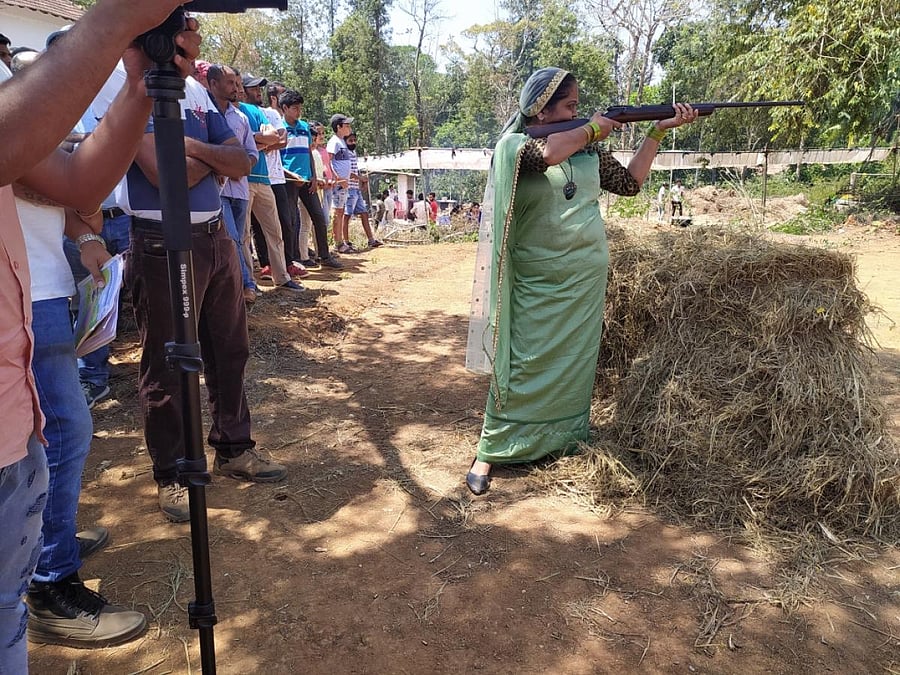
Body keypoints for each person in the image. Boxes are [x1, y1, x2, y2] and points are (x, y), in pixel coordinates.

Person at [0, 2, 202, 669]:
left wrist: (143, 86)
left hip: (23, 343)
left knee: (57, 439)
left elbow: (80, 179)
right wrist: (114, 19)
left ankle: (43, 558)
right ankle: (50, 576)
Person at [464, 67, 697, 495]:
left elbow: (630, 184)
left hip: (584, 278)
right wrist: (593, 127)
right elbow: (549, 155)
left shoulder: (589, 152)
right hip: (535, 280)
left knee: (573, 363)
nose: (578, 111)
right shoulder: (516, 149)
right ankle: (493, 447)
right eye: (570, 106)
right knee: (521, 362)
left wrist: (658, 133)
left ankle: (563, 439)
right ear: (541, 109)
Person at [124, 67, 288, 522]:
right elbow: (160, 173)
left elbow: (243, 160)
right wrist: (215, 159)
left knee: (230, 349)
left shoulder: (196, 91)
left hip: (216, 236)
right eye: (188, 24)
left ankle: (234, 448)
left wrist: (192, 150)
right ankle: (173, 472)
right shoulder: (131, 87)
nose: (195, 30)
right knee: (168, 359)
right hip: (161, 240)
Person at [207, 64, 261, 304]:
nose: (237, 88)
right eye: (231, 83)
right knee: (230, 239)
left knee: (237, 238)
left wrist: (243, 166)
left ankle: (233, 287)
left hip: (240, 190)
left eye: (238, 84)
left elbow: (252, 152)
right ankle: (246, 285)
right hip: (215, 190)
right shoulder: (203, 113)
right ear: (213, 84)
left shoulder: (240, 118)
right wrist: (221, 167)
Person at [279, 91, 341, 269]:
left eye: (300, 108)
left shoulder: (305, 127)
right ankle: (292, 259)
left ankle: (325, 256)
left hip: (307, 180)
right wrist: (291, 176)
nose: (299, 112)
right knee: (290, 219)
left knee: (319, 217)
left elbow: (308, 152)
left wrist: (314, 177)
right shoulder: (280, 127)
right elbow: (278, 157)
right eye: (295, 108)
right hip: (288, 181)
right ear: (284, 108)